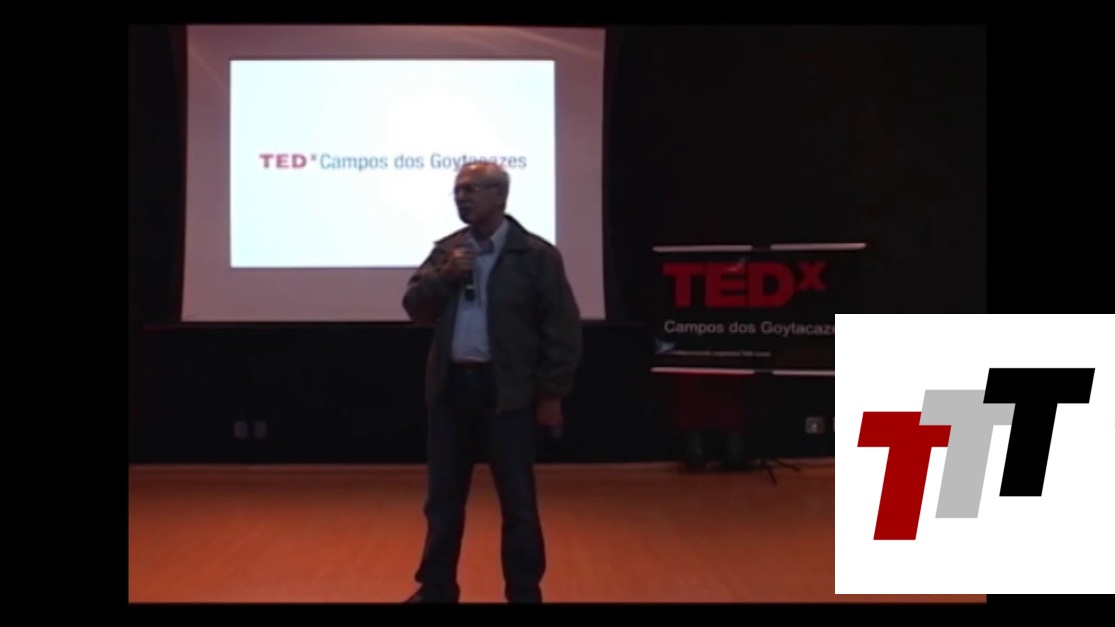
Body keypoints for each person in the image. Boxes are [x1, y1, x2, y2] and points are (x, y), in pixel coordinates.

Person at [401, 160, 583, 603]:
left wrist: (552, 392)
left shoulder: (535, 255)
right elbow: (415, 307)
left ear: (500, 195)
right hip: (451, 392)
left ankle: (524, 592)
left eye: (472, 189)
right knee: (443, 502)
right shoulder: (447, 252)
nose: (462, 198)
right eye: (458, 191)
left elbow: (561, 328)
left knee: (518, 504)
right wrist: (446, 278)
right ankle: (436, 589)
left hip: (508, 393)